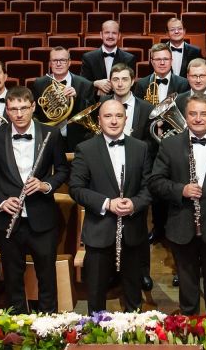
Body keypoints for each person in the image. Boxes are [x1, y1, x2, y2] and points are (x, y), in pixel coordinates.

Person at [0, 87, 70, 313]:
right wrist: (2, 201)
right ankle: (18, 326)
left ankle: (48, 324)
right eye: (13, 109)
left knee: (47, 276)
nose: (19, 114)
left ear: (33, 107)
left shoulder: (51, 134)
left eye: (23, 108)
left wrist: (45, 185)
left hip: (42, 218)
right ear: (7, 110)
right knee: (12, 278)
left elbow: (62, 170)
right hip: (8, 219)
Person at [149, 93, 206, 317]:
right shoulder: (170, 144)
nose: (198, 118)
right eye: (192, 113)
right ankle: (189, 329)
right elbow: (155, 182)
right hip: (181, 226)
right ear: (186, 116)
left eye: (203, 113)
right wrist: (181, 190)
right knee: (187, 287)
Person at [68, 99, 154, 312]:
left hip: (133, 233)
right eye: (108, 116)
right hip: (99, 232)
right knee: (96, 297)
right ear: (99, 120)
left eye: (118, 116)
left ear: (126, 119)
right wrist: (107, 203)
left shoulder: (141, 148)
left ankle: (132, 332)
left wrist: (134, 203)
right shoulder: (85, 149)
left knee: (134, 297)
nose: (114, 121)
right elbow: (76, 189)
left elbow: (149, 187)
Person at [100, 63, 156, 288]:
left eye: (125, 79)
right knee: (109, 226)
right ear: (111, 82)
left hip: (137, 170)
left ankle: (142, 272)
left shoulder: (146, 107)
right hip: (109, 171)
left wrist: (134, 146)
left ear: (133, 81)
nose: (120, 83)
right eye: (116, 79)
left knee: (138, 227)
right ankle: (113, 271)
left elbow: (153, 140)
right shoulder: (102, 104)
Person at [30, 46, 96, 151]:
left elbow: (92, 113)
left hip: (77, 140)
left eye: (63, 60)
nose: (58, 64)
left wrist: (76, 99)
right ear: (50, 63)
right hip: (48, 138)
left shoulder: (84, 84)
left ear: (69, 62)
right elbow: (34, 113)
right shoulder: (39, 83)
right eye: (55, 60)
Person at [81, 20, 137, 97]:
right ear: (101, 35)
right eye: (107, 32)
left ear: (119, 36)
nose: (110, 36)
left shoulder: (129, 59)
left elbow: (130, 85)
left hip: (120, 101)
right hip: (95, 101)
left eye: (114, 33)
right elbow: (83, 84)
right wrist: (96, 84)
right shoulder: (88, 58)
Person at [176, 58, 206, 133]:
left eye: (202, 76)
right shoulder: (178, 100)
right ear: (188, 77)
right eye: (194, 76)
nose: (198, 80)